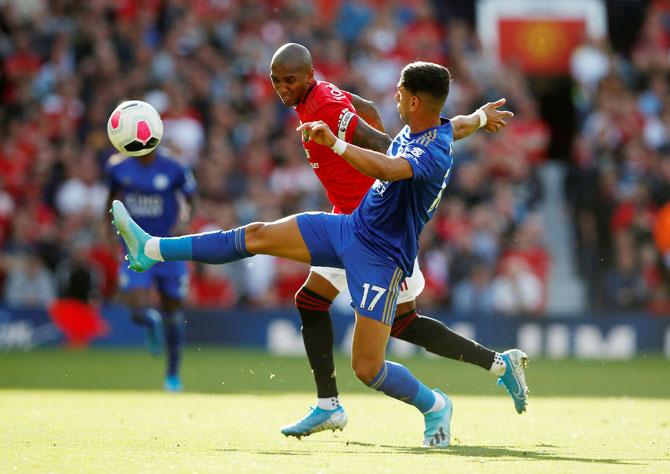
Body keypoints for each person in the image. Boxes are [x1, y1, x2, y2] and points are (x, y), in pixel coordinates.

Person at [112, 61, 522, 448]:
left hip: (381, 258)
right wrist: (483, 118)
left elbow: (391, 169)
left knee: (369, 368)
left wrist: (338, 142)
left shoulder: (429, 153)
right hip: (349, 226)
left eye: (400, 92)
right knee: (257, 235)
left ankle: (435, 405)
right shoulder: (435, 128)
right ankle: (151, 248)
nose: (393, 96)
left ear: (414, 100)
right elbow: (461, 123)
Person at [268, 43, 528, 438]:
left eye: (287, 80)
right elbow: (381, 111)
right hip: (355, 221)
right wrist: (477, 117)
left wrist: (370, 160)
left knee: (381, 322)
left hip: (372, 231)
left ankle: (342, 405)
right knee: (378, 316)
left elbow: (381, 142)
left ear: (305, 76)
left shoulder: (326, 107)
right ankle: (498, 365)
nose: (281, 88)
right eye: (276, 81)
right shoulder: (321, 94)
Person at [105, 147, 197, 392]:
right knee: (136, 309)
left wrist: (184, 223)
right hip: (135, 248)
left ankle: (173, 375)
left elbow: (190, 202)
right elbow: (110, 202)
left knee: (174, 310)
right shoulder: (117, 167)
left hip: (168, 247)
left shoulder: (175, 166)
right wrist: (111, 237)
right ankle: (149, 321)